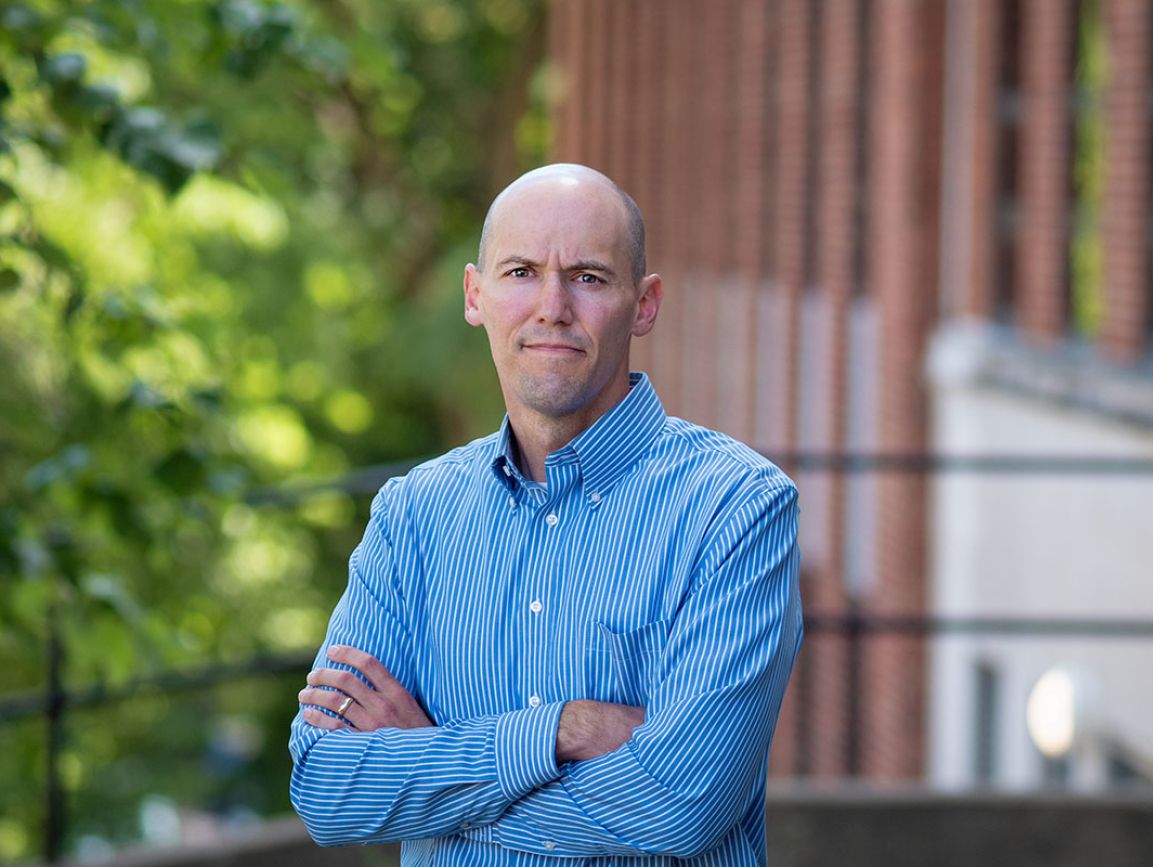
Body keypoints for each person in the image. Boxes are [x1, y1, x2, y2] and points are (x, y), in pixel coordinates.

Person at [289, 163, 804, 865]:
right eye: (522, 272)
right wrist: (562, 729)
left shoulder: (734, 508)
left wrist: (434, 775)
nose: (552, 306)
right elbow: (327, 789)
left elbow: (682, 802)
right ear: (476, 295)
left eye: (588, 277)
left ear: (644, 303)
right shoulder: (413, 516)